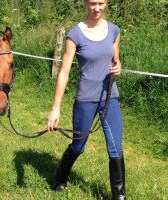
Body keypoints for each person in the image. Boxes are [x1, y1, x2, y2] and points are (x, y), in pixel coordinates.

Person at [47, 0, 125, 199]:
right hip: (85, 99)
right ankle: (60, 178)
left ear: (106, 3)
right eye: (92, 3)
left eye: (101, 3)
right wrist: (56, 108)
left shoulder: (114, 31)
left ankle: (119, 195)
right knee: (78, 145)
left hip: (109, 97)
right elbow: (64, 72)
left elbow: (115, 60)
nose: (96, 8)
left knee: (115, 147)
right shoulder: (75, 34)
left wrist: (118, 67)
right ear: (85, 3)